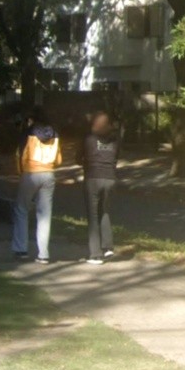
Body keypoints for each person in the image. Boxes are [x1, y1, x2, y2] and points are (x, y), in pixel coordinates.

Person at [12, 111, 63, 264]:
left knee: (21, 210)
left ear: (32, 119)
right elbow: (59, 159)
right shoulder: (55, 133)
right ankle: (43, 254)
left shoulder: (28, 132)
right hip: (49, 174)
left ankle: (21, 250)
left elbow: (19, 155)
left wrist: (21, 172)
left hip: (30, 173)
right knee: (44, 215)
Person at [78, 111, 119, 265]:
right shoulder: (115, 141)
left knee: (93, 215)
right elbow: (116, 158)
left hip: (93, 177)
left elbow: (78, 157)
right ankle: (108, 246)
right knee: (105, 210)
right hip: (110, 178)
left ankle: (95, 254)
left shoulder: (88, 139)